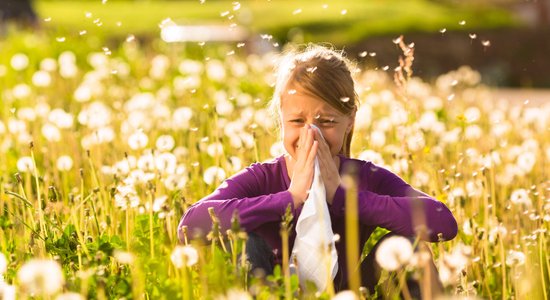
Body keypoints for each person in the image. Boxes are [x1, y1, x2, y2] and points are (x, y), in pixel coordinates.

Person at [178, 44, 458, 295]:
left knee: (412, 248)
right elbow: (190, 226)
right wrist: (290, 199)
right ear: (281, 120)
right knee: (243, 241)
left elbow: (443, 222)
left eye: (326, 122)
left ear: (350, 121)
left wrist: (344, 196)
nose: (311, 134)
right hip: (271, 291)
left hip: (350, 294)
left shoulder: (363, 177)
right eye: (298, 121)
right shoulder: (263, 177)